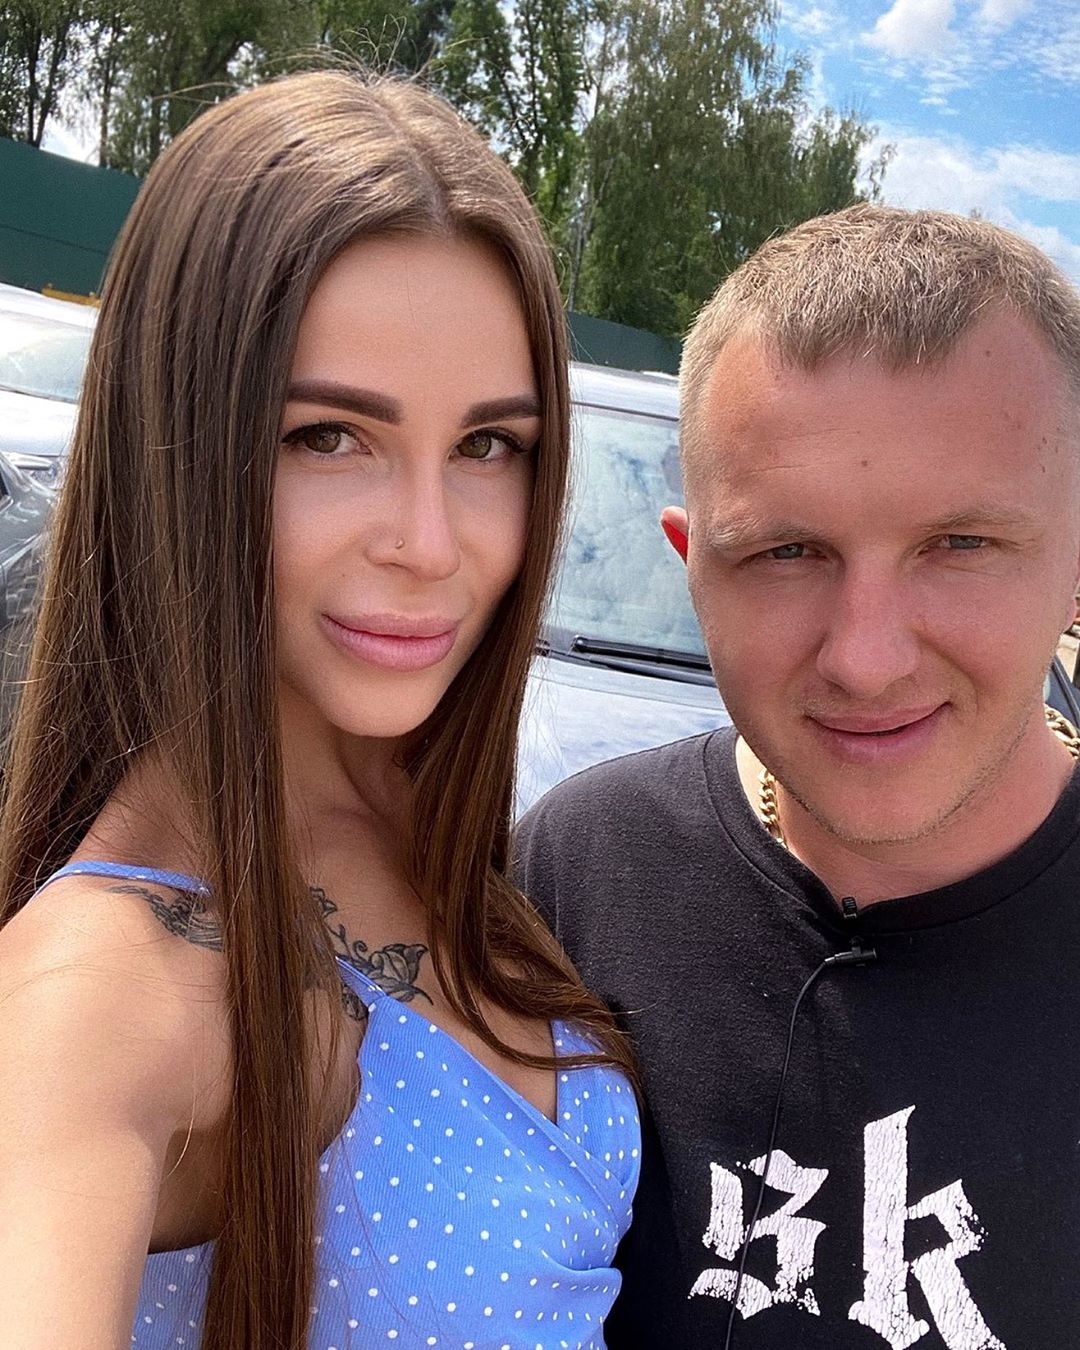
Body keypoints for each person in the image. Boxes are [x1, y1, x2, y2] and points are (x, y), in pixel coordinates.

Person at [0, 71, 640, 1349]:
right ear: (177, 446)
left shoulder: (444, 822)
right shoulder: (102, 986)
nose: (430, 544)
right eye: (329, 437)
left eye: (488, 446)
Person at [514, 204, 1080, 1349]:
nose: (866, 658)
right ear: (693, 567)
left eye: (960, 545)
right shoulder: (575, 877)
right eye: (786, 552)